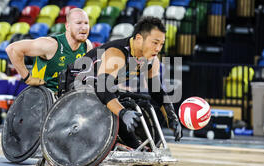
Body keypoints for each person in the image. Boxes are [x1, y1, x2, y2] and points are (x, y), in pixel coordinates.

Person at [72, 16, 182, 149]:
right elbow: (101, 88)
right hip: (74, 86)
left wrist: (172, 118)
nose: (158, 48)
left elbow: (157, 92)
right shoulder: (116, 53)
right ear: (139, 38)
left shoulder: (151, 60)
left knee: (141, 102)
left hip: (99, 89)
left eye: (161, 44)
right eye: (155, 43)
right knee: (118, 110)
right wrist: (123, 113)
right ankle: (132, 146)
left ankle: (144, 146)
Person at [5, 8, 93, 92]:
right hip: (43, 99)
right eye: (79, 23)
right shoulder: (51, 44)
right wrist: (28, 78)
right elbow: (12, 49)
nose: (84, 27)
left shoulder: (87, 45)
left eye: (86, 23)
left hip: (67, 99)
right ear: (67, 26)